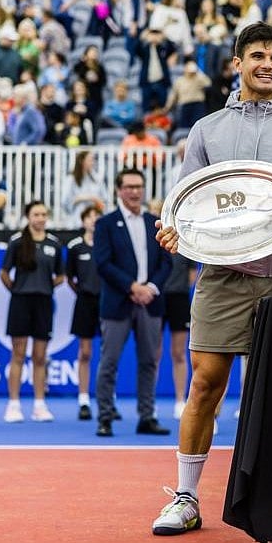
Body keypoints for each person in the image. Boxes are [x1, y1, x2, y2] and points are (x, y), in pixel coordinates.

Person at [151, 22, 272, 535]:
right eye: (257, 55)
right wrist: (173, 230)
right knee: (206, 385)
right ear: (237, 63)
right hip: (222, 276)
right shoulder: (206, 129)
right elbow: (185, 203)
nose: (267, 65)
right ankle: (186, 498)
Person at [93, 168, 172, 438]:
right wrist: (132, 287)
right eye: (129, 187)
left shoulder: (155, 222)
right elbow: (103, 263)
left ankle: (147, 416)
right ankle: (105, 417)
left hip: (150, 302)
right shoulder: (106, 224)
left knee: (149, 361)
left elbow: (166, 262)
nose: (135, 191)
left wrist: (150, 288)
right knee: (109, 362)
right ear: (119, 190)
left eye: (139, 186)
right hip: (118, 302)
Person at [0, 200, 65, 423]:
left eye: (44, 214)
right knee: (18, 354)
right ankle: (13, 404)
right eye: (36, 214)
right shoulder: (17, 242)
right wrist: (18, 289)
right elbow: (4, 273)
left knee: (39, 356)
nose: (40, 218)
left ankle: (39, 404)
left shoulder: (54, 244)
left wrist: (44, 287)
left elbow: (61, 276)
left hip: (43, 303)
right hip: (20, 302)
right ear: (28, 217)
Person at [150, 196, 196, 420]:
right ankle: (150, 403)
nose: (156, 214)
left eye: (160, 210)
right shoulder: (149, 241)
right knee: (154, 353)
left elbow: (192, 274)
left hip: (178, 297)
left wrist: (179, 288)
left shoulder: (183, 239)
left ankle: (180, 401)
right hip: (156, 297)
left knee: (179, 353)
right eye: (153, 211)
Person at [66, 205, 103, 421]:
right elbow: (69, 277)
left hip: (107, 302)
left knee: (108, 353)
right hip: (85, 302)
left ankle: (108, 398)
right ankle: (83, 399)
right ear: (83, 221)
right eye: (89, 217)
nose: (93, 220)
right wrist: (82, 291)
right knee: (85, 352)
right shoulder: (75, 247)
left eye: (97, 216)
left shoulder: (108, 245)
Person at [61, 151, 108, 228]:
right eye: (90, 160)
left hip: (95, 220)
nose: (93, 163)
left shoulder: (96, 178)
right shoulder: (70, 179)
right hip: (77, 221)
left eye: (93, 160)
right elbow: (65, 202)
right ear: (82, 161)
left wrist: (98, 202)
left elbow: (104, 198)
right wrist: (88, 198)